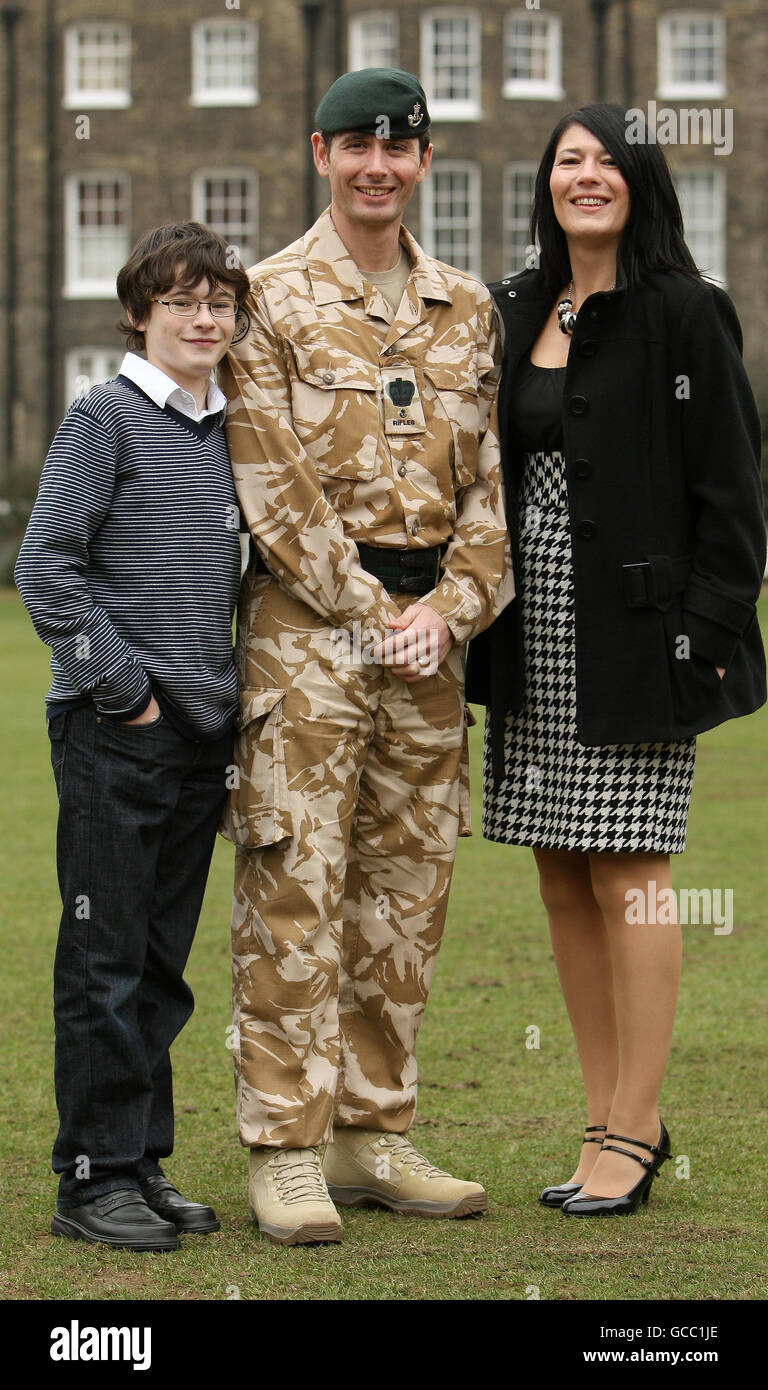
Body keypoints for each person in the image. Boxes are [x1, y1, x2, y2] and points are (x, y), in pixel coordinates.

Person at [218, 67, 514, 1246]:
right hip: (308, 638)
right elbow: (269, 480)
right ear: (320, 154)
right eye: (357, 148)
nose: (378, 165)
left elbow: (494, 483)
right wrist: (366, 606)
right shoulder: (267, 296)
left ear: (425, 164)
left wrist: (451, 606)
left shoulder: (466, 305)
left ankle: (373, 1130)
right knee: (295, 884)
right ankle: (286, 1146)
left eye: (400, 148)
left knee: (407, 888)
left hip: (430, 641)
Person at [466, 103, 766, 1217]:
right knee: (559, 870)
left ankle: (637, 1125)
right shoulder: (514, 308)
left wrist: (706, 639)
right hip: (531, 630)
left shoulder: (688, 313)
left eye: (606, 161)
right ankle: (598, 1118)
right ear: (546, 184)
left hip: (644, 638)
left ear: (640, 181)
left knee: (630, 871)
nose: (584, 176)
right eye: (567, 161)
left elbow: (734, 504)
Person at [15, 222, 250, 1250]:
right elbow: (45, 569)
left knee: (160, 966)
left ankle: (139, 1164)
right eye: (183, 303)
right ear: (139, 314)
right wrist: (127, 691)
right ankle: (89, 1178)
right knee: (103, 960)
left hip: (202, 737)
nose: (205, 320)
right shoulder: (102, 416)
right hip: (119, 735)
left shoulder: (226, 428)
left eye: (220, 304)